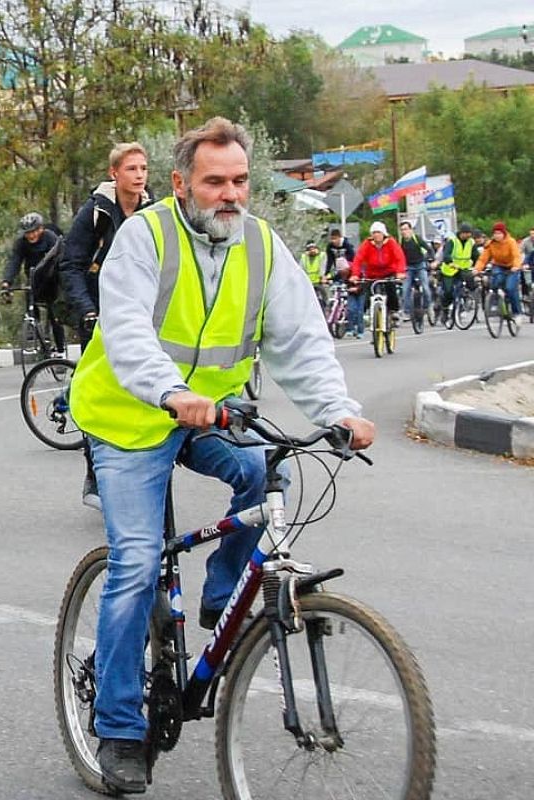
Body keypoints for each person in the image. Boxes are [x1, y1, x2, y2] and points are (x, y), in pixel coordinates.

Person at [68, 116, 374, 794]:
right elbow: (124, 332)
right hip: (126, 418)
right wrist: (170, 392)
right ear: (181, 185)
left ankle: (222, 596)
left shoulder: (262, 248)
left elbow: (301, 342)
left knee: (273, 473)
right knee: (137, 563)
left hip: (212, 413)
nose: (230, 194)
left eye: (239, 181)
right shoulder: (142, 239)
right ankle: (120, 727)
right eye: (215, 182)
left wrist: (339, 413)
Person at [61, 141, 154, 511]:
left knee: (144, 392)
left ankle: (144, 472)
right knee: (103, 399)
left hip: (142, 314)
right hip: (99, 316)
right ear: (114, 174)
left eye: (144, 169)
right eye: (132, 169)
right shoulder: (95, 212)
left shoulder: (153, 210)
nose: (139, 176)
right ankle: (96, 475)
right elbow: (71, 265)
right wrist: (87, 310)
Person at [1, 212, 67, 355]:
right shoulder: (21, 243)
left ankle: (60, 351)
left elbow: (61, 257)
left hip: (52, 279)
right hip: (34, 279)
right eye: (28, 233)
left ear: (41, 228)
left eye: (34, 231)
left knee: (53, 315)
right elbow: (15, 262)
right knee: (30, 307)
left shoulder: (50, 237)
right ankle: (37, 336)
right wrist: (7, 282)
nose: (31, 236)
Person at [348, 221, 405, 337]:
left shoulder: (391, 243)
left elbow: (400, 258)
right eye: (374, 233)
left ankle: (393, 311)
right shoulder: (367, 244)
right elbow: (358, 260)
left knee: (391, 290)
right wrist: (355, 275)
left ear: (383, 233)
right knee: (368, 295)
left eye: (378, 232)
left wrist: (400, 273)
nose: (376, 235)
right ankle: (372, 316)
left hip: (389, 273)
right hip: (372, 275)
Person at [475, 221, 524, 322]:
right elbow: (483, 259)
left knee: (510, 288)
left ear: (504, 233)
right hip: (499, 265)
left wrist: (516, 266)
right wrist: (477, 269)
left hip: (512, 267)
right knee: (495, 282)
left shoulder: (511, 242)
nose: (497, 235)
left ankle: (517, 313)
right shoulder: (490, 244)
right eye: (495, 233)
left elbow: (516, 256)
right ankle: (497, 302)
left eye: (499, 233)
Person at [438, 224, 476, 316]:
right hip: (449, 270)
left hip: (463, 269)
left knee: (470, 283)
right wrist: (450, 262)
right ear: (461, 233)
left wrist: (478, 266)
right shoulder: (452, 241)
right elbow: (446, 254)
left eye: (469, 234)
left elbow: (476, 255)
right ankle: (445, 308)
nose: (468, 236)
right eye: (466, 233)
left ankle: (465, 302)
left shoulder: (471, 242)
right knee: (448, 291)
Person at [397, 220, 432, 321]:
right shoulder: (401, 242)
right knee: (405, 289)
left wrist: (428, 260)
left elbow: (429, 250)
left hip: (420, 265)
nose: (404, 232)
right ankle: (407, 311)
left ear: (411, 230)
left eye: (406, 229)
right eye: (402, 230)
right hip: (408, 268)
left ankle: (427, 306)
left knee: (425, 287)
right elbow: (398, 256)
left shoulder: (417, 239)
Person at [299, 240, 326, 305]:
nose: (312, 251)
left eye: (313, 248)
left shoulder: (321, 255)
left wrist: (322, 278)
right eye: (310, 249)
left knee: (323, 297)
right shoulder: (304, 257)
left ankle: (326, 307)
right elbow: (301, 269)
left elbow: (323, 267)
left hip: (319, 282)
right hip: (308, 283)